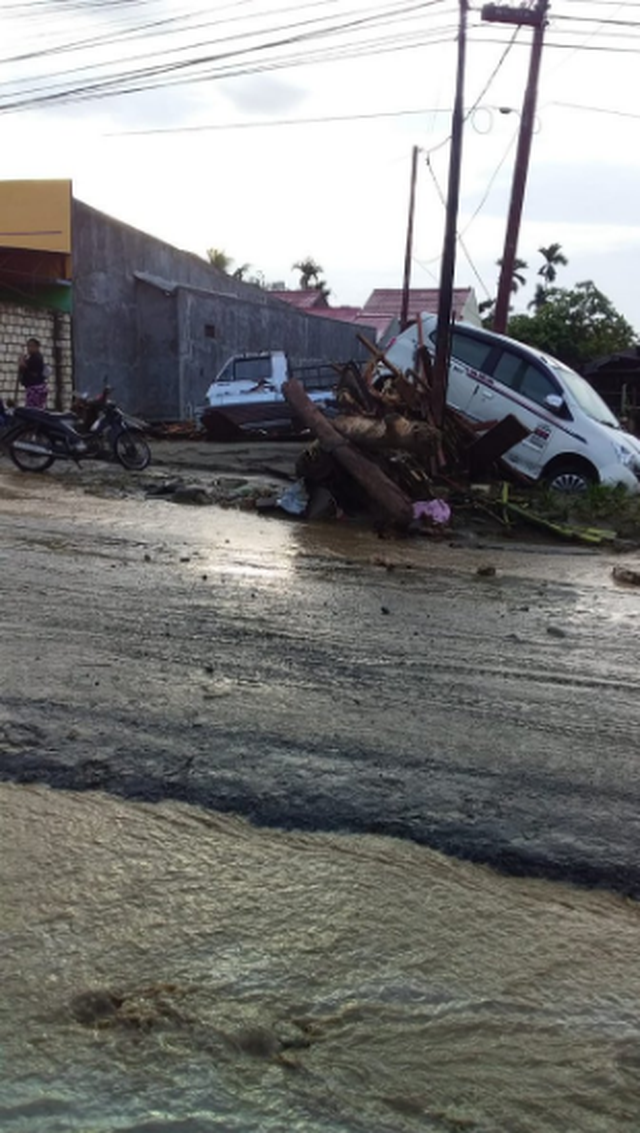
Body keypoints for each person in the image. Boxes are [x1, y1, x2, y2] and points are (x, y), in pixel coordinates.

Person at [18, 337, 49, 408]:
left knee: (32, 410)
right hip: (34, 387)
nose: (29, 348)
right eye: (28, 346)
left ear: (37, 347)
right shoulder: (32, 357)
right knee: (36, 408)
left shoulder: (36, 357)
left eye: (31, 346)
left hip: (35, 388)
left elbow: (23, 366)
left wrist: (21, 359)